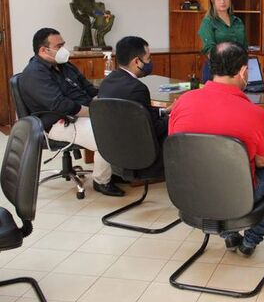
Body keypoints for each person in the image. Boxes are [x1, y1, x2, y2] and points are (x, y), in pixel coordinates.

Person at [169, 42, 264, 256]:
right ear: (244, 71)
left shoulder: (182, 102)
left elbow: (177, 149)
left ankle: (228, 235)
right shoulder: (254, 114)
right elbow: (263, 162)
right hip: (236, 196)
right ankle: (251, 239)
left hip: (189, 194)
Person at [19, 27, 124, 197]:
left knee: (121, 123)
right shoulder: (34, 74)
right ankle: (101, 181)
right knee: (106, 135)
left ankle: (116, 172)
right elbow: (60, 105)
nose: (63, 49)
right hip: (57, 122)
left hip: (81, 113)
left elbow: (89, 89)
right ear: (43, 50)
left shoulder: (65, 65)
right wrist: (95, 112)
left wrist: (107, 96)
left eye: (63, 44)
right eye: (58, 46)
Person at [98, 36, 169, 176]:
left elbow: (140, 113)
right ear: (137, 61)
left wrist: (163, 111)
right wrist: (173, 117)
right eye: (148, 59)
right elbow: (152, 128)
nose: (150, 62)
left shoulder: (108, 81)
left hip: (115, 149)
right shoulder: (137, 88)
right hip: (142, 155)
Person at [198, 0, 248, 82]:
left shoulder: (237, 22)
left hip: (238, 72)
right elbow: (210, 51)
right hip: (217, 72)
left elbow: (245, 48)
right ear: (212, 0)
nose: (222, 2)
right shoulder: (208, 22)